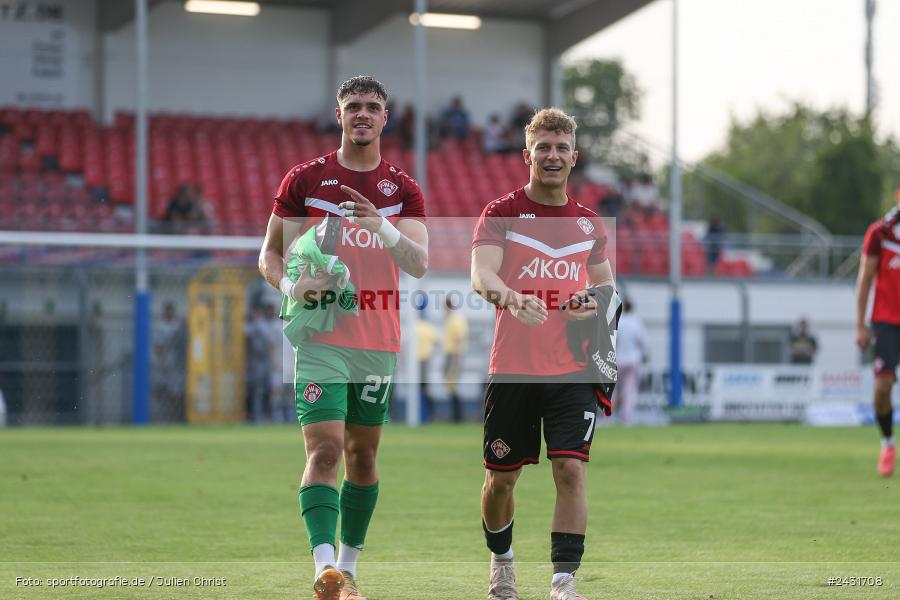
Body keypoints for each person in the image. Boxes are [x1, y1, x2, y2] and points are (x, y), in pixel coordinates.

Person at [258, 76, 428, 600]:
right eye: (353, 105)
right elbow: (268, 254)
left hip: (377, 339)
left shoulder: (402, 189)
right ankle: (324, 569)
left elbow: (419, 262)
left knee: (364, 455)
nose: (362, 114)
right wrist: (292, 284)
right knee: (326, 449)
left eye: (372, 107)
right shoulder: (307, 180)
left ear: (385, 118)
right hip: (320, 339)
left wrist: (382, 225)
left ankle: (350, 566)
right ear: (338, 114)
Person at [471, 107, 616, 600]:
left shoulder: (590, 224)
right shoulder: (502, 213)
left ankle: (563, 582)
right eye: (543, 147)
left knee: (570, 469)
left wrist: (591, 305)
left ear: (574, 157)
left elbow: (607, 290)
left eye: (560, 148)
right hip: (512, 368)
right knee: (500, 481)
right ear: (526, 155)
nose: (551, 156)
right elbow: (481, 276)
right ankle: (502, 563)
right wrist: (511, 297)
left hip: (571, 370)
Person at [856, 184, 900, 478]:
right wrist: (860, 323)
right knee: (882, 389)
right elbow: (865, 278)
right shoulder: (880, 233)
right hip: (886, 321)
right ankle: (887, 443)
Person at [613, 299, 648, 424]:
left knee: (614, 388)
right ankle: (626, 415)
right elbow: (641, 341)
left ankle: (609, 413)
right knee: (629, 388)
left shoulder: (618, 321)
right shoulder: (636, 322)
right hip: (633, 360)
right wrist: (645, 355)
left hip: (618, 359)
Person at [152, 302, 186, 421]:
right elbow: (158, 346)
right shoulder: (160, 327)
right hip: (162, 364)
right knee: (159, 391)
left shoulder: (177, 326)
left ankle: (173, 417)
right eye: (168, 311)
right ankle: (160, 417)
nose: (170, 314)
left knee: (175, 393)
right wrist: (162, 358)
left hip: (175, 365)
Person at [443, 296, 469, 422]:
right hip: (451, 355)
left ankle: (457, 416)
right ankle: (456, 415)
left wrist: (455, 359)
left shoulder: (455, 320)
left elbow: (459, 339)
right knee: (451, 385)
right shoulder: (452, 319)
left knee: (453, 386)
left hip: (454, 355)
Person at [415, 307, 439, 421]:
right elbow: (437, 343)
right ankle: (430, 414)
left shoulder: (414, 326)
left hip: (420, 361)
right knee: (424, 389)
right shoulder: (427, 327)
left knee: (421, 388)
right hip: (423, 360)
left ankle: (430, 413)